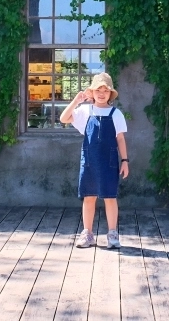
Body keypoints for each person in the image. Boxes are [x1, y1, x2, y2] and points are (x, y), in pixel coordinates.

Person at [59, 72, 128, 249]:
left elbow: (120, 139)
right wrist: (76, 101)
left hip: (110, 162)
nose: (102, 93)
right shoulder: (85, 111)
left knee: (110, 198)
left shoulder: (116, 114)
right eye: (98, 89)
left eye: (105, 90)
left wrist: (125, 161)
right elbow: (63, 118)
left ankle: (112, 234)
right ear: (92, 92)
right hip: (89, 161)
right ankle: (87, 233)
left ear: (110, 94)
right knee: (88, 197)